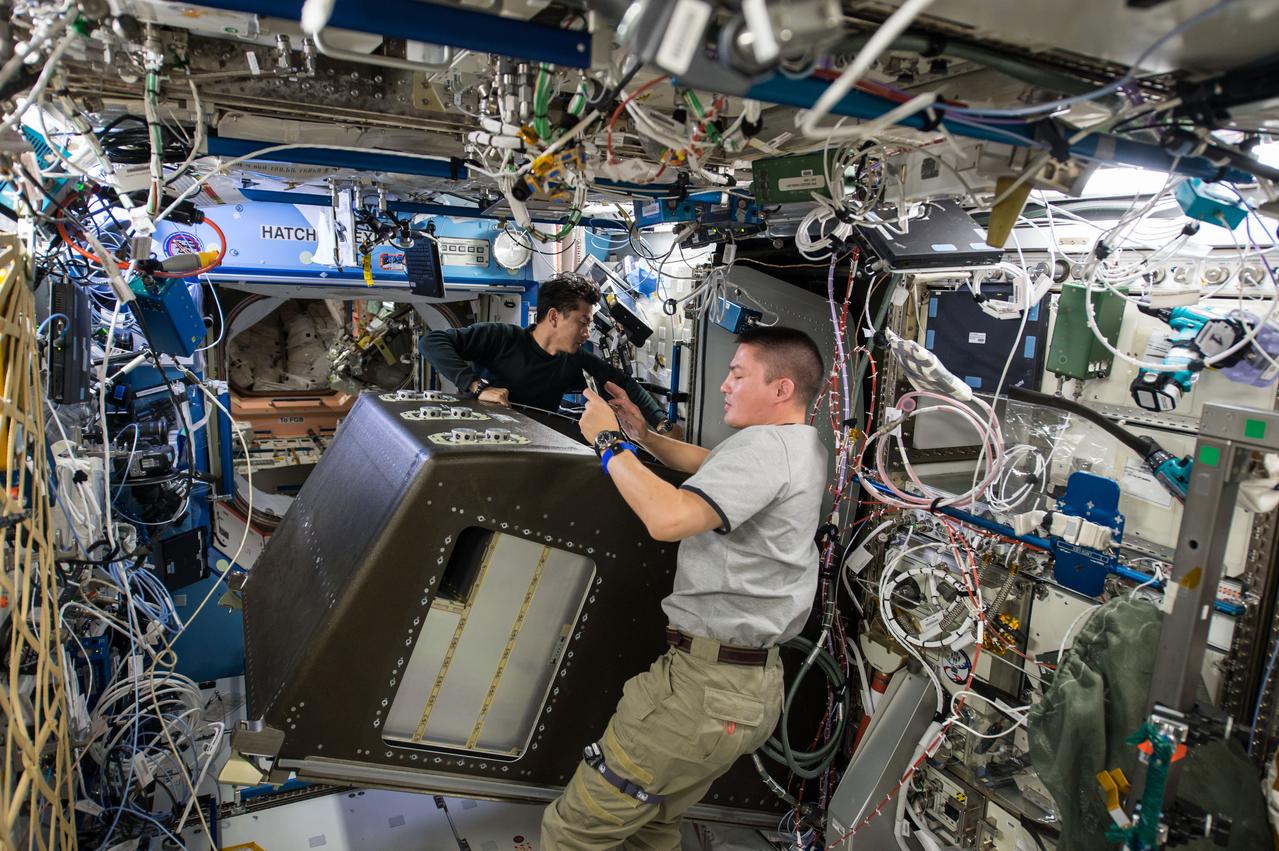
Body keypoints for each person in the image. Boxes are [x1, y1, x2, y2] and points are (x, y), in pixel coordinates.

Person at [540, 325, 828, 849]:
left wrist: (605, 441)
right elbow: (709, 467)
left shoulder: (765, 449)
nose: (724, 385)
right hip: (746, 690)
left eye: (738, 375)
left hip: (701, 692)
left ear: (781, 388)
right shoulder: (799, 446)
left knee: (575, 830)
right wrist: (642, 436)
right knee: (652, 828)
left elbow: (667, 518)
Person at [423, 272, 668, 429]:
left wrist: (661, 424)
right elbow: (432, 342)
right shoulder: (501, 337)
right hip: (484, 439)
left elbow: (625, 384)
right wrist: (477, 386)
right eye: (583, 323)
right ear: (553, 316)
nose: (586, 333)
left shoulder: (574, 360)